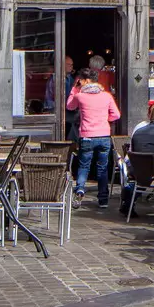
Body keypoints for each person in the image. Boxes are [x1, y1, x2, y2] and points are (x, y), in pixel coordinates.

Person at [66, 62, 120, 209]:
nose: (79, 82)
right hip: (103, 135)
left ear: (87, 81)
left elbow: (69, 106)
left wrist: (74, 89)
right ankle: (103, 199)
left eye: (81, 80)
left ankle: (80, 189)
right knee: (102, 167)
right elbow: (116, 115)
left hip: (87, 136)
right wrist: (104, 120)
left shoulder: (81, 96)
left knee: (84, 165)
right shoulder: (107, 96)